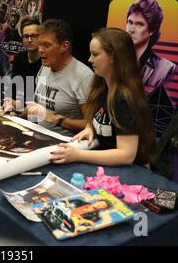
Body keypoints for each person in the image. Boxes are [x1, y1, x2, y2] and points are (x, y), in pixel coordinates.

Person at [49, 28, 156, 168]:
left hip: (131, 173)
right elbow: (101, 120)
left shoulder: (124, 98)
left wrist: (77, 155)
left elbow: (126, 155)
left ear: (114, 57)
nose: (89, 59)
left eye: (95, 54)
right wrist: (90, 128)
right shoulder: (103, 86)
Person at [1, 19, 94, 138]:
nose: (40, 50)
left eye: (46, 45)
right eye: (40, 44)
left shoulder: (84, 77)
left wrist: (57, 120)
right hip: (36, 135)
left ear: (64, 46)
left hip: (64, 144)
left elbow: (91, 125)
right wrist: (16, 109)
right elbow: (38, 111)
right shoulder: (45, 68)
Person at [126, 0, 176, 92]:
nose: (131, 30)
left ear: (152, 30)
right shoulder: (114, 58)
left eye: (139, 24)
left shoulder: (166, 68)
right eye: (130, 22)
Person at [9, 19, 42, 108]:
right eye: (26, 36)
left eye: (34, 36)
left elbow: (41, 99)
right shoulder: (19, 58)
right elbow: (14, 88)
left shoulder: (47, 63)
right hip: (19, 109)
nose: (29, 40)